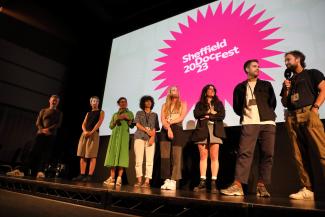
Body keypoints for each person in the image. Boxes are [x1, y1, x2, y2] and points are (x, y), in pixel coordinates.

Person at [221, 59, 276, 197]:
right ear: (247, 69)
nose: (258, 68)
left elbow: (272, 102)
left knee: (267, 154)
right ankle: (238, 185)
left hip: (268, 122)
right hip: (249, 122)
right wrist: (247, 115)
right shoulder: (240, 87)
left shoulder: (266, 84)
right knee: (244, 153)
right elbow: (237, 107)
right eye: (254, 66)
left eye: (258, 66)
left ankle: (261, 186)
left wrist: (266, 113)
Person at [280, 50, 325, 200]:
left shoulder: (312, 73)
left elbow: (324, 89)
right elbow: (284, 102)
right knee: (298, 155)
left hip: (308, 112)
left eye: (288, 60)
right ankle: (308, 189)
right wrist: (286, 89)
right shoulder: (289, 81)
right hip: (292, 116)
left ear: (298, 59)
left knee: (322, 150)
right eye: (285, 61)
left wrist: (315, 108)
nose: (286, 63)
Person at [192, 84, 226, 193]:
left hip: (215, 131)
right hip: (202, 130)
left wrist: (208, 116)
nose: (212, 91)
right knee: (203, 156)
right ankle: (202, 182)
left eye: (213, 89)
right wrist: (210, 113)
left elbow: (222, 115)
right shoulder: (200, 104)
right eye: (209, 89)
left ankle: (213, 183)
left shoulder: (219, 103)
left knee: (214, 156)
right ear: (205, 91)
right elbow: (196, 114)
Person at [26, 95, 63, 178]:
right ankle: (27, 170)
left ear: (58, 103)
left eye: (56, 101)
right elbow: (38, 122)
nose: (54, 102)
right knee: (34, 151)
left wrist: (48, 130)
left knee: (45, 154)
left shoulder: (59, 113)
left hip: (51, 135)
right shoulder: (43, 110)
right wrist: (42, 129)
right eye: (53, 100)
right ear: (49, 100)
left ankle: (40, 171)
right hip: (40, 134)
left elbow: (58, 124)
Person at [160, 86, 187, 190]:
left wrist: (170, 124)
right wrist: (168, 128)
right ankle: (166, 179)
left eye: (175, 90)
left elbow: (181, 117)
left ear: (178, 92)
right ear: (169, 93)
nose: (174, 91)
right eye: (172, 90)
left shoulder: (183, 104)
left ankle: (173, 180)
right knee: (165, 155)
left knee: (176, 155)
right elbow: (162, 119)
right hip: (165, 129)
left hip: (177, 128)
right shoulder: (164, 105)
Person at [73, 96, 104, 182]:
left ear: (98, 103)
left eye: (97, 101)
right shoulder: (88, 113)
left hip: (94, 134)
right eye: (93, 101)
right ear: (90, 103)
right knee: (82, 154)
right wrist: (85, 131)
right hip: (85, 134)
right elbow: (83, 124)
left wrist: (92, 131)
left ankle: (90, 175)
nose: (95, 102)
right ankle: (82, 174)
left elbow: (99, 122)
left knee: (92, 155)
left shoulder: (101, 112)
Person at [103, 97, 134, 186]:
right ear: (118, 104)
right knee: (113, 155)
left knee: (122, 156)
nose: (123, 103)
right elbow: (111, 126)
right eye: (121, 102)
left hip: (124, 137)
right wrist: (117, 120)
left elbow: (132, 126)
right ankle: (112, 178)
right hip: (114, 137)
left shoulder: (130, 113)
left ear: (127, 103)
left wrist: (127, 118)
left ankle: (119, 178)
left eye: (125, 102)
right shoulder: (115, 114)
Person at [133, 95, 160, 188]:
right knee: (138, 160)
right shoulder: (139, 112)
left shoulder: (155, 114)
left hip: (150, 139)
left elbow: (155, 128)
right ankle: (139, 181)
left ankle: (147, 181)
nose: (148, 103)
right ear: (143, 103)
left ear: (152, 103)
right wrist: (146, 131)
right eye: (146, 101)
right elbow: (137, 124)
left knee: (149, 161)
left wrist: (152, 137)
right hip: (139, 137)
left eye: (150, 101)